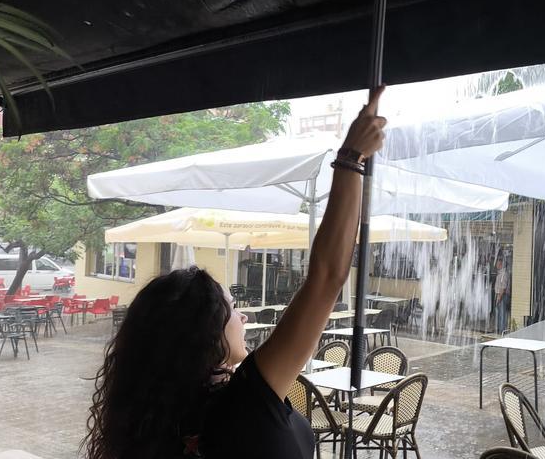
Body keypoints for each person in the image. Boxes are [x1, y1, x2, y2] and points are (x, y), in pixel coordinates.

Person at [83, 87, 387, 459]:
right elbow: (326, 277)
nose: (242, 316)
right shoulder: (244, 403)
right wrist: (351, 159)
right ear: (203, 332)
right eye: (230, 308)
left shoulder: (156, 418)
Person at [494, 257, 510, 334]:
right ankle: (500, 329)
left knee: (502, 314)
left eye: (497, 263)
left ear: (500, 264)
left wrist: (499, 298)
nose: (496, 265)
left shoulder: (503, 274)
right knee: (501, 313)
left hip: (502, 296)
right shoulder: (501, 273)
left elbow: (503, 288)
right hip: (501, 295)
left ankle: (501, 331)